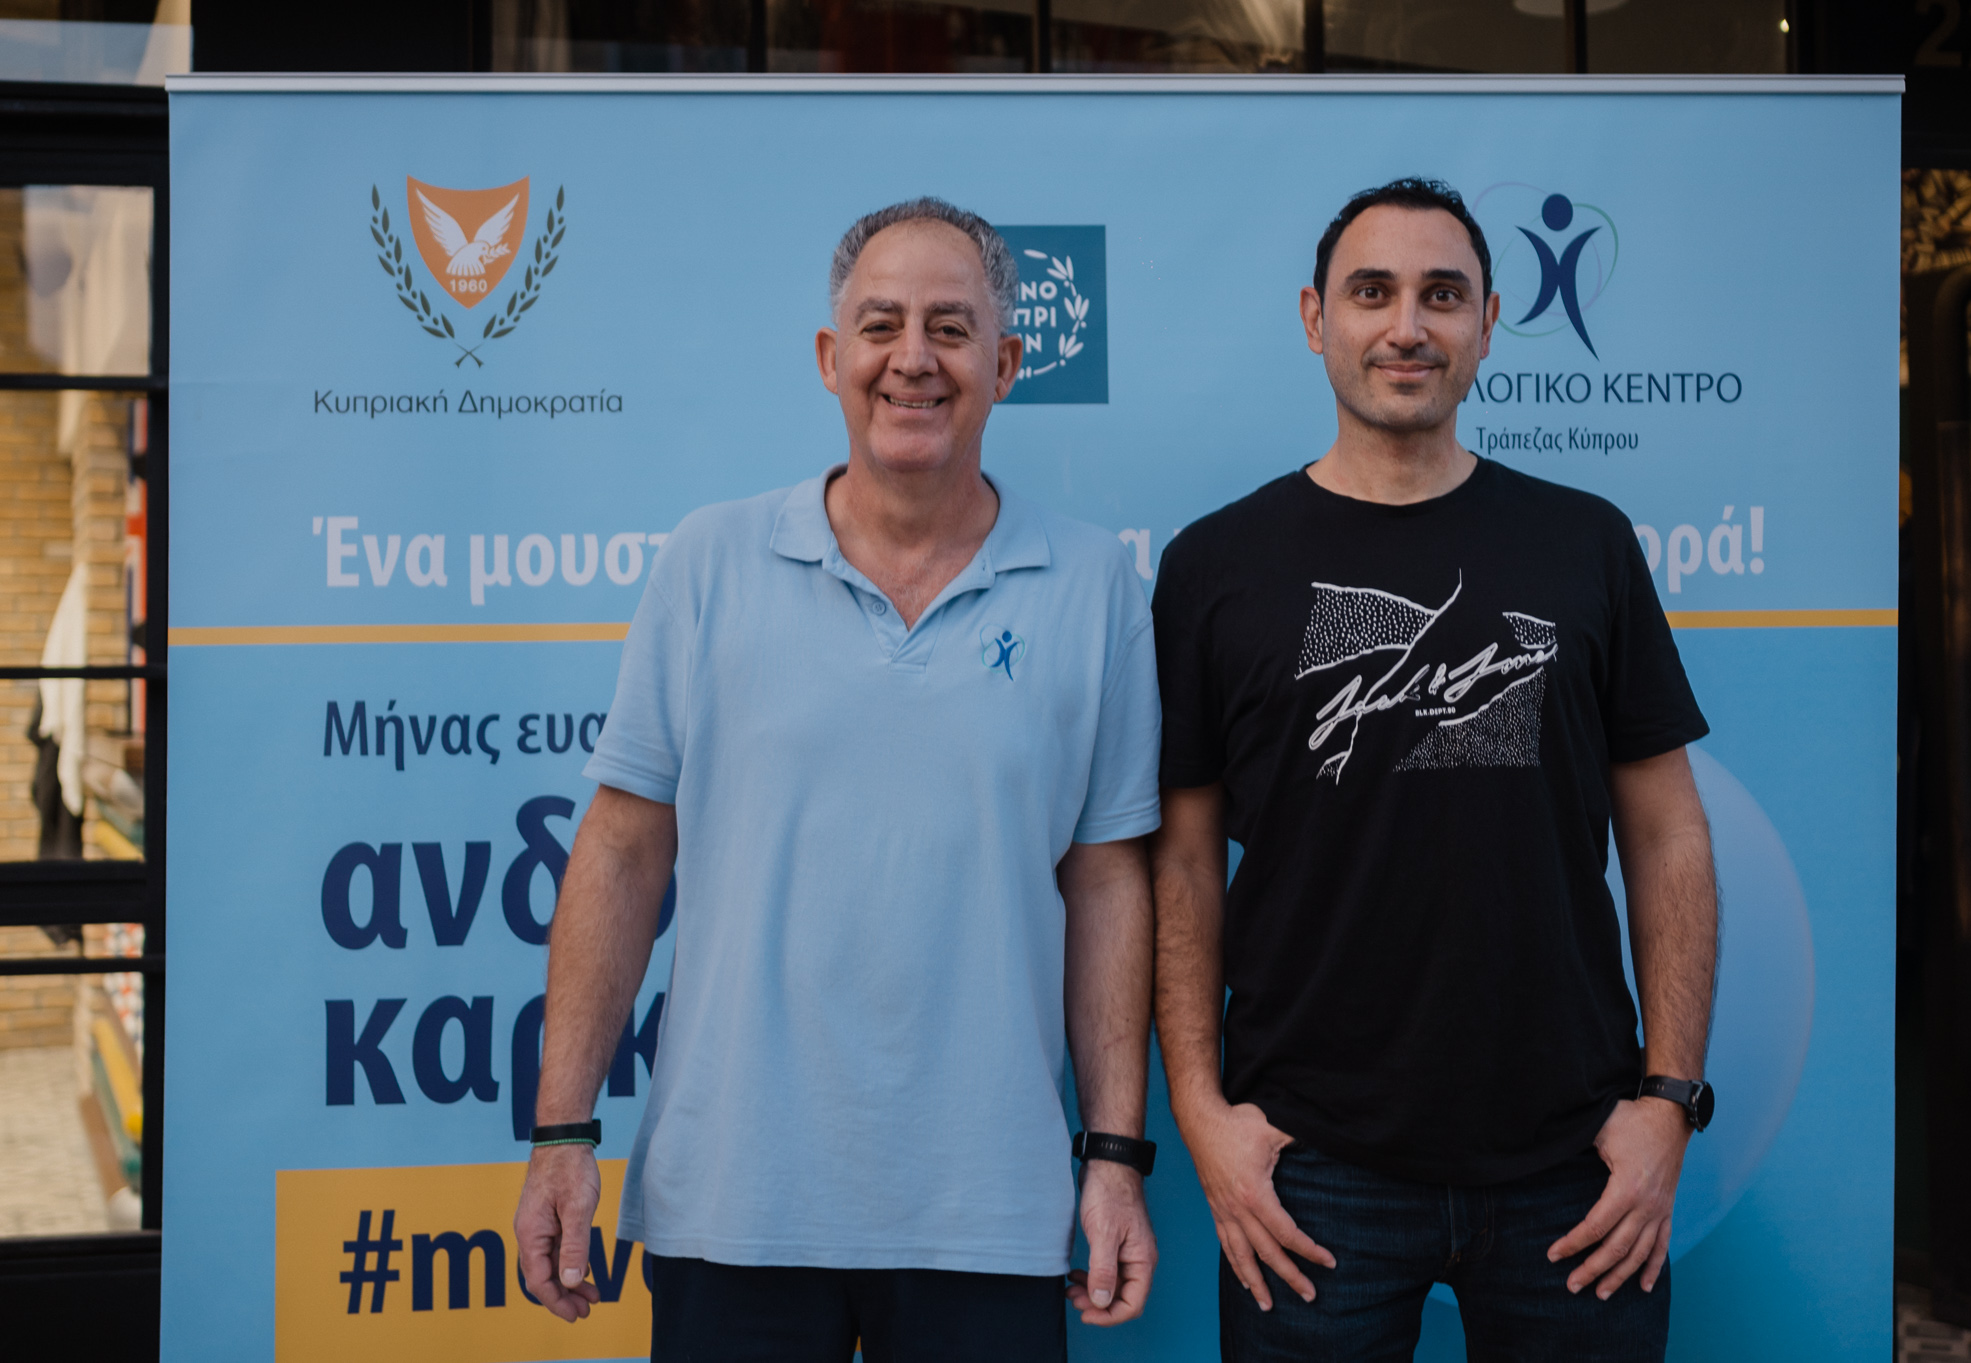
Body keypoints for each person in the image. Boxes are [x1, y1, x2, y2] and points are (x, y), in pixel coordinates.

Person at [513, 197, 1163, 1361]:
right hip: (733, 1203)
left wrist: (1113, 1155)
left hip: (988, 1213)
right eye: (880, 325)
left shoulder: (1092, 585)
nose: (913, 357)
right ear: (829, 357)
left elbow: (1107, 879)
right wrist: (562, 1129)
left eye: (950, 327)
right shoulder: (708, 561)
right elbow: (619, 848)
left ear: (1006, 364)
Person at [1150, 178, 1719, 1360]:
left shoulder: (1584, 543)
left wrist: (1667, 1101)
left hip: (1573, 1164)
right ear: (1314, 318)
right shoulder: (1214, 566)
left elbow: (1666, 833)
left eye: (1440, 295)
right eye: (1371, 293)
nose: (1405, 326)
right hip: (1309, 1170)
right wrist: (1200, 1115)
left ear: (1487, 323)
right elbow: (1183, 860)